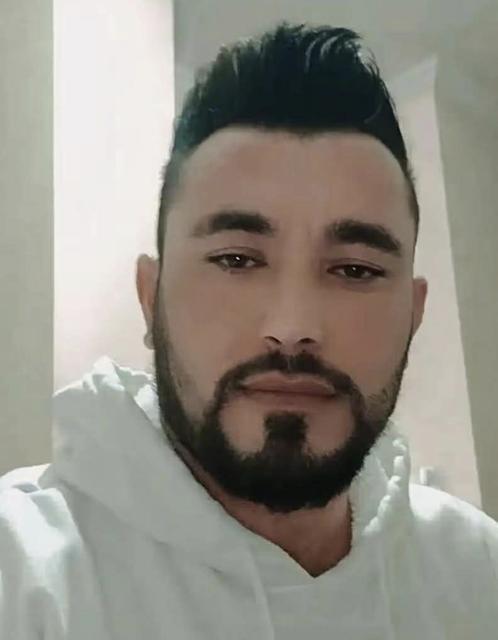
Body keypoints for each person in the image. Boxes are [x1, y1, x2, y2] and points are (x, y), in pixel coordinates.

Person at [1, 21, 497, 640]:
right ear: (150, 299)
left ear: (415, 314)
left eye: (355, 269)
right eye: (236, 260)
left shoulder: (479, 574)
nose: (293, 329)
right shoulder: (23, 575)